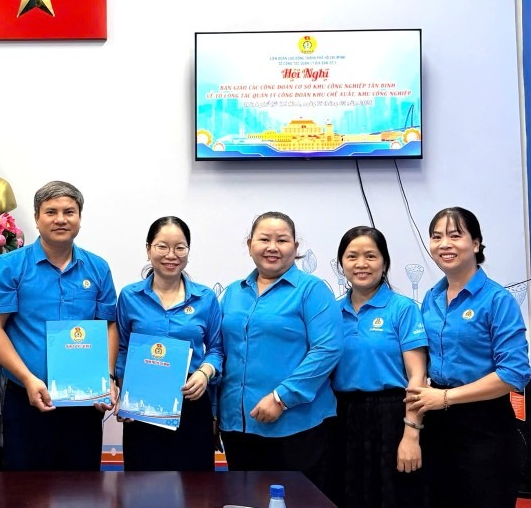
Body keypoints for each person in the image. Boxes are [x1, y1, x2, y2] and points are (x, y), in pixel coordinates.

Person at [0, 180, 117, 470]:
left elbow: (108, 326)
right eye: (51, 212)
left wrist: (106, 376)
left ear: (80, 217)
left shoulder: (98, 267)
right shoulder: (11, 266)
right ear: (37, 218)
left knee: (82, 490)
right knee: (26, 491)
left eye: (69, 211)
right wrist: (28, 378)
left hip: (84, 402)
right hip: (26, 398)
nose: (61, 219)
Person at [407, 207, 531, 508]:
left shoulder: (497, 299)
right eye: (436, 237)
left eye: (454, 235)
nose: (444, 244)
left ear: (475, 243)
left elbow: (514, 374)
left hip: (485, 427)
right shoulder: (432, 298)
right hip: (437, 425)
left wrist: (446, 397)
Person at [218, 211, 342, 495]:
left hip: (297, 426)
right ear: (250, 244)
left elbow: (327, 349)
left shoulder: (312, 290)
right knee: (245, 500)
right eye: (264, 239)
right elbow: (221, 352)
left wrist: (281, 398)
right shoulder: (234, 292)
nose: (272, 247)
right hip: (238, 426)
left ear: (296, 248)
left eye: (282, 240)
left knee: (296, 502)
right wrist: (215, 412)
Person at [329, 226, 428, 508]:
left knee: (392, 497)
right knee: (345, 495)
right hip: (341, 417)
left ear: (384, 262)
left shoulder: (403, 308)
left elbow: (417, 375)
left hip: (392, 416)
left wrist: (411, 433)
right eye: (352, 257)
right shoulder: (332, 312)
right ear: (341, 264)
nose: (361, 264)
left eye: (371, 256)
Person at [115, 216, 223, 471]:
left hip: (192, 400)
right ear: (148, 248)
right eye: (162, 246)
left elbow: (217, 349)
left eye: (180, 247)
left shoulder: (205, 298)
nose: (171, 255)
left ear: (188, 250)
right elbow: (121, 349)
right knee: (141, 490)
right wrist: (124, 393)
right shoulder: (130, 296)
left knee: (195, 490)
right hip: (142, 405)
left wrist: (204, 373)